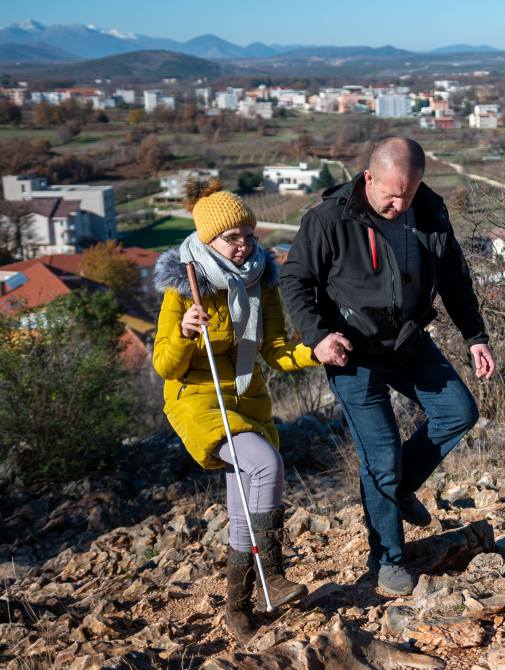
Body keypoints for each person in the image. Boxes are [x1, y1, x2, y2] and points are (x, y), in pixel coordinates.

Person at [281, 137, 495, 597]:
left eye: (409, 194)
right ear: (369, 177)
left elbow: (456, 277)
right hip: (352, 353)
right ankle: (387, 559)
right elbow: (295, 280)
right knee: (378, 455)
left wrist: (475, 336)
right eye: (391, 195)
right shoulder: (328, 219)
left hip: (408, 341)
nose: (399, 204)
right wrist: (318, 338)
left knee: (459, 412)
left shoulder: (430, 211)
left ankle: (395, 490)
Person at [152, 179, 320, 645]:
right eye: (233, 237)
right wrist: (186, 331)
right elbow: (163, 364)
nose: (244, 244)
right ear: (209, 240)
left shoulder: (261, 278)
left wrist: (318, 352)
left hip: (248, 398)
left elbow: (277, 350)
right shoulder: (185, 284)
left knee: (244, 501)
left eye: (248, 233)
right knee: (266, 465)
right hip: (199, 399)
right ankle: (276, 572)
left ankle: (237, 608)